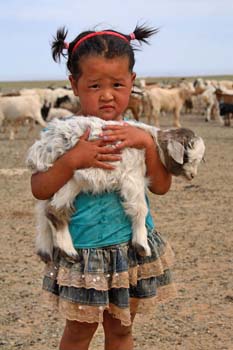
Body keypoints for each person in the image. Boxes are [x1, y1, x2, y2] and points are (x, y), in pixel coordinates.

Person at [30, 24, 177, 350]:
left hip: (130, 252)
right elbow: (39, 188)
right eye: (95, 85)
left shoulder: (141, 133)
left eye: (118, 84)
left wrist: (149, 146)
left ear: (132, 82)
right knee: (79, 332)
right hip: (84, 254)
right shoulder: (65, 133)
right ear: (75, 85)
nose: (107, 94)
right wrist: (70, 162)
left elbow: (162, 187)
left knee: (121, 331)